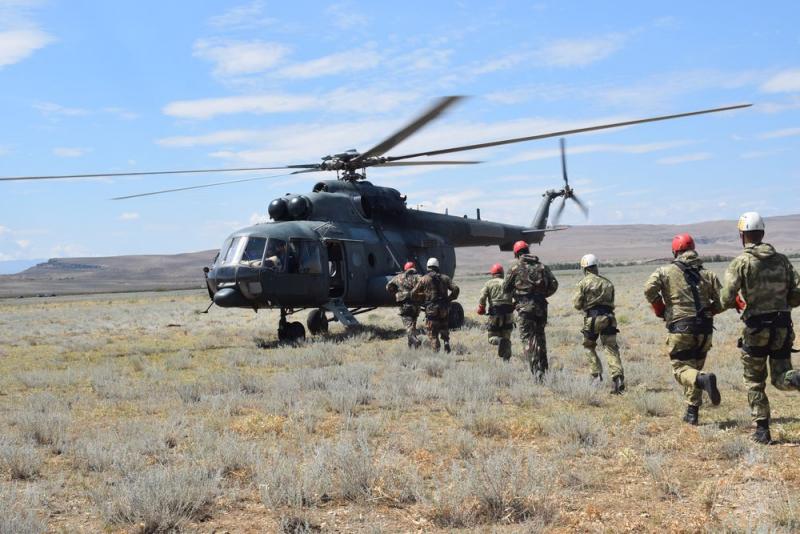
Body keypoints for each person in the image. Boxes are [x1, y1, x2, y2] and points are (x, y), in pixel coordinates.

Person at [720, 211, 800, 444]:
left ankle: (763, 430)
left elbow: (726, 297)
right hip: (783, 326)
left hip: (756, 329)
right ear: (762, 233)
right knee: (780, 377)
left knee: (755, 380)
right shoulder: (783, 260)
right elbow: (797, 295)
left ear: (742, 235)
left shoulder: (741, 262)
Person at [644, 233, 722, 425]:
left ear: (675, 252)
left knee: (682, 370)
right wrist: (709, 312)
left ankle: (704, 381)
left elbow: (649, 289)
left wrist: (660, 309)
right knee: (694, 370)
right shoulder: (708, 274)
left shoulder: (664, 271)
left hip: (681, 328)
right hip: (705, 329)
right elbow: (724, 300)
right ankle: (692, 413)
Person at [503, 240, 558, 380]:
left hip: (524, 308)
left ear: (516, 253)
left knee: (528, 339)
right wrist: (542, 295)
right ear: (528, 250)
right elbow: (554, 285)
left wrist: (517, 296)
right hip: (541, 307)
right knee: (540, 337)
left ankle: (536, 371)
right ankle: (544, 369)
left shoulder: (515, 267)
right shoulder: (542, 266)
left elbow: (505, 288)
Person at [572, 254, 625, 394]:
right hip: (609, 318)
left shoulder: (582, 283)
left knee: (588, 346)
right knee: (611, 348)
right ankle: (618, 378)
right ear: (596, 266)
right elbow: (612, 302)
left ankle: (596, 376)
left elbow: (577, 304)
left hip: (593, 320)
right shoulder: (608, 283)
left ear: (584, 268)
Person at [412, 257, 460, 353]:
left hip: (431, 309)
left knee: (433, 333)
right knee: (444, 326)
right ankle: (446, 342)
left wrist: (422, 298)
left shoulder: (424, 279)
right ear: (437, 266)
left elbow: (413, 293)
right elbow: (456, 289)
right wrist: (449, 299)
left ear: (428, 267)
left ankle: (437, 353)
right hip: (443, 308)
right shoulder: (445, 278)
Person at [476, 263, 514, 360]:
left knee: (492, 338)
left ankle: (499, 340)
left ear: (492, 274)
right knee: (507, 338)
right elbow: (515, 296)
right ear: (502, 273)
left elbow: (482, 297)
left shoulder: (489, 283)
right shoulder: (507, 282)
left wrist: (481, 307)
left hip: (495, 313)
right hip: (508, 314)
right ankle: (506, 360)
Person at [386, 261, 422, 348]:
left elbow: (388, 287)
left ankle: (415, 340)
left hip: (405, 305)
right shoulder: (419, 277)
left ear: (405, 269)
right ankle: (411, 346)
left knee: (408, 327)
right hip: (416, 305)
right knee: (412, 325)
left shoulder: (398, 277)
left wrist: (396, 292)